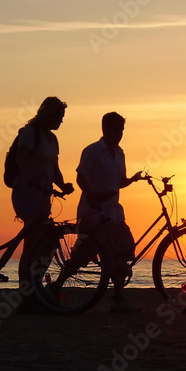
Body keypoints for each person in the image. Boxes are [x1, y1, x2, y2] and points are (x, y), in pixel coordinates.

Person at [73, 111, 144, 313]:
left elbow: (119, 181)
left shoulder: (120, 153)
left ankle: (119, 297)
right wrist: (92, 195)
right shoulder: (92, 151)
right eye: (116, 129)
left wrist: (133, 179)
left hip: (113, 212)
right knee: (87, 254)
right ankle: (57, 286)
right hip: (93, 211)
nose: (119, 134)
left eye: (122, 130)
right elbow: (81, 178)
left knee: (121, 251)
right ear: (105, 128)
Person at [10, 96, 74, 308]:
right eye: (60, 116)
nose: (62, 121)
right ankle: (26, 294)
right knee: (33, 242)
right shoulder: (30, 133)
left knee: (46, 243)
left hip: (43, 194)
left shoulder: (52, 140)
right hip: (27, 193)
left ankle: (33, 287)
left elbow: (53, 167)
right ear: (50, 115)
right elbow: (22, 159)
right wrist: (31, 178)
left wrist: (63, 185)